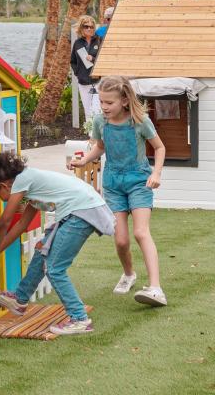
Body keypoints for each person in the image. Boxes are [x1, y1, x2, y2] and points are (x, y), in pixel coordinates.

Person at [0, 151, 114, 336]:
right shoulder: (33, 187)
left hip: (81, 211)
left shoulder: (23, 179)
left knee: (54, 268)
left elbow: (4, 222)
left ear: (4, 185)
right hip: (76, 211)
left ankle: (79, 319)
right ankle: (20, 299)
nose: (0, 200)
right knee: (42, 251)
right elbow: (21, 225)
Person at [69, 75, 168, 307]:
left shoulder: (140, 121)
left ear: (124, 101)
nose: (104, 107)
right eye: (101, 102)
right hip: (113, 184)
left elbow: (160, 147)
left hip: (139, 182)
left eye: (109, 103)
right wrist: (84, 161)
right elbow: (100, 147)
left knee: (141, 232)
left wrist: (156, 173)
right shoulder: (100, 122)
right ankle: (129, 274)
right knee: (121, 240)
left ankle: (156, 288)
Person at [70, 15, 102, 120]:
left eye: (91, 26)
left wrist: (92, 58)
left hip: (98, 82)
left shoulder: (99, 41)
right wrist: (78, 73)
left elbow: (104, 60)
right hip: (83, 82)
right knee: (87, 110)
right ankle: (91, 134)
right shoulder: (77, 43)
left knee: (98, 110)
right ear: (81, 28)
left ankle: (99, 135)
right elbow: (73, 61)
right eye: (86, 26)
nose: (89, 29)